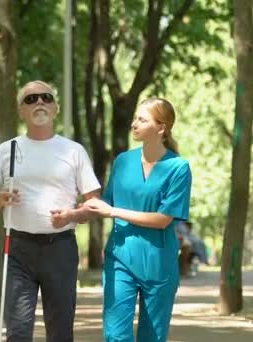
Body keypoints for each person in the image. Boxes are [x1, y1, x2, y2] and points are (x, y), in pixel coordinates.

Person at [0, 80, 101, 341]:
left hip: (60, 248)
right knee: (18, 331)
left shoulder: (73, 151)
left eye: (46, 98)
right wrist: (0, 199)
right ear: (20, 111)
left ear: (55, 108)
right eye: (30, 99)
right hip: (18, 249)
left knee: (59, 331)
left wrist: (72, 215)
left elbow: (95, 203)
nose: (39, 103)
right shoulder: (6, 150)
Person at [83, 98, 192, 341]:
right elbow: (105, 205)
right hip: (120, 258)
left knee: (152, 337)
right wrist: (72, 214)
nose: (134, 124)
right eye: (135, 118)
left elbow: (163, 219)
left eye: (142, 119)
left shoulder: (178, 168)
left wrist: (113, 212)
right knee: (115, 335)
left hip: (159, 263)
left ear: (161, 127)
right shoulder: (123, 162)